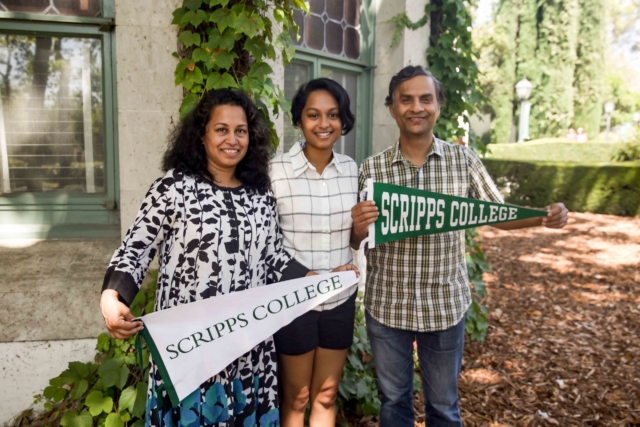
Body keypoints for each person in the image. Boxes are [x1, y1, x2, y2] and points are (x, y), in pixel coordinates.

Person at [99, 89, 357, 427]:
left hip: (247, 349)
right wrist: (112, 296)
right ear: (202, 134)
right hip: (191, 345)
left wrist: (319, 280)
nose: (232, 139)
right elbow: (136, 248)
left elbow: (272, 258)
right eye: (221, 129)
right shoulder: (174, 187)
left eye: (241, 131)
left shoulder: (259, 192)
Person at [350, 66, 569, 427]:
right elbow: (356, 239)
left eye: (425, 99)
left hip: (444, 305)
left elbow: (496, 213)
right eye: (406, 100)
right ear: (392, 108)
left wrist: (542, 216)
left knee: (444, 406)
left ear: (438, 105)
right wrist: (357, 229)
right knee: (392, 403)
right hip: (387, 305)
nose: (416, 107)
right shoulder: (372, 170)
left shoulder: (463, 161)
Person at [269, 78, 359, 427]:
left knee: (326, 394)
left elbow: (356, 236)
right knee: (297, 395)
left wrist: (360, 238)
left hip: (340, 299)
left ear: (343, 119)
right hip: (294, 301)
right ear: (299, 120)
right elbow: (266, 242)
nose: (324, 124)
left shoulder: (352, 171)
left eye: (333, 115)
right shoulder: (275, 172)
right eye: (313, 115)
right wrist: (299, 276)